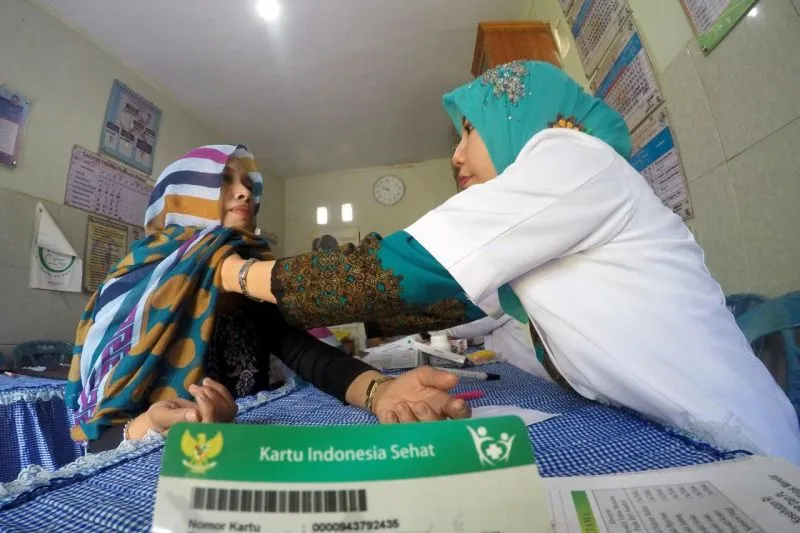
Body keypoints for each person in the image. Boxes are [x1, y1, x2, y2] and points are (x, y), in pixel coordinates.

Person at [216, 62, 800, 463]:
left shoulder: (571, 157)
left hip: (743, 448)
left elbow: (406, 270)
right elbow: (451, 303)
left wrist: (234, 273)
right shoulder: (546, 223)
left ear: (518, 117)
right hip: (684, 435)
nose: (456, 154)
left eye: (469, 129)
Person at [65, 145, 470, 452]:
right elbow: (95, 438)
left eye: (248, 185)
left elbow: (311, 356)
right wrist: (151, 426)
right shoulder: (136, 289)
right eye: (224, 181)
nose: (245, 193)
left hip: (229, 460)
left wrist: (379, 392)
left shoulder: (246, 290)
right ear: (181, 199)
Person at [439, 294, 548, 380]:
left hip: (527, 373)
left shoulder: (501, 296)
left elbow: (466, 328)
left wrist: (435, 333)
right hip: (533, 368)